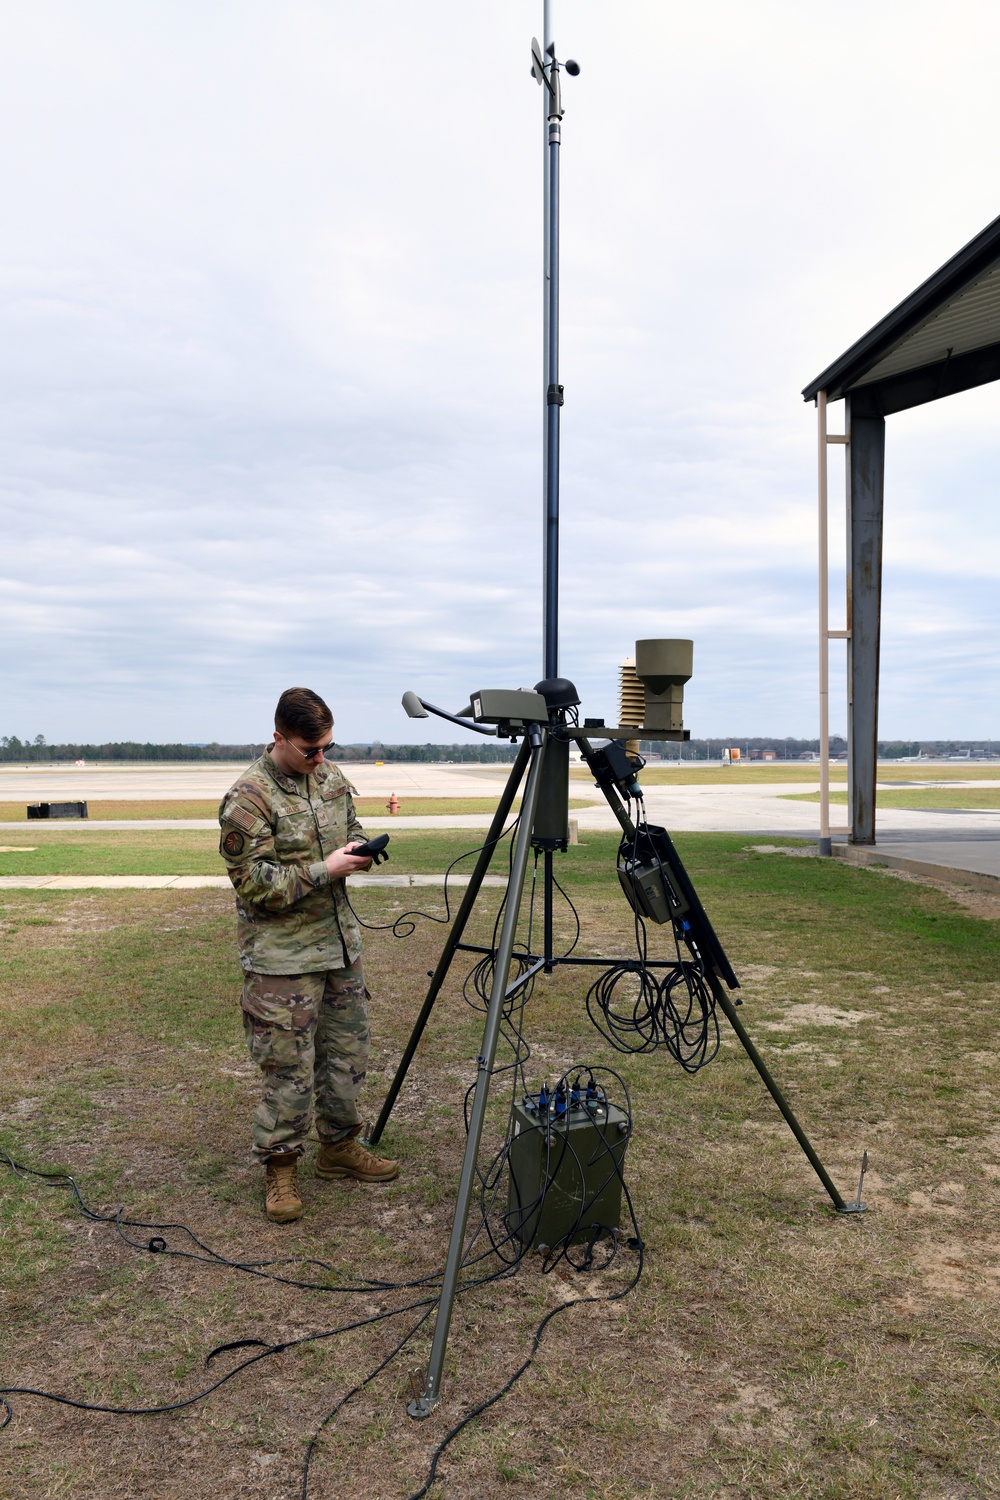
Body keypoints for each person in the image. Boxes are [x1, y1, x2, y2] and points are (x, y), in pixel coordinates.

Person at [218, 686, 399, 1223]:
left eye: (327, 747)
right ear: (279, 737)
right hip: (282, 958)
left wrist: (361, 852)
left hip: (339, 946)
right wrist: (327, 871)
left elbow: (353, 827)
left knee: (347, 1055)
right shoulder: (248, 798)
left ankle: (339, 1149)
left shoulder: (331, 778)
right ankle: (280, 1165)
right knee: (287, 1066)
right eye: (309, 749)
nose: (320, 758)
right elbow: (252, 883)